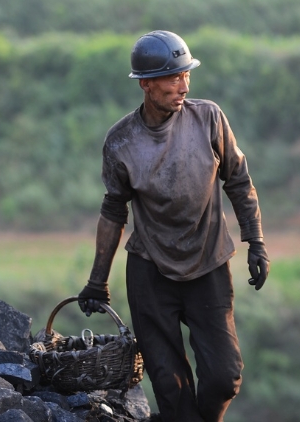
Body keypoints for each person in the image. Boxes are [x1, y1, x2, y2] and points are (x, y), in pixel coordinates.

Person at [77, 30, 270, 422]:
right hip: (151, 272)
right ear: (146, 85)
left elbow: (238, 179)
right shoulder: (121, 142)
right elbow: (114, 210)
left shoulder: (209, 119)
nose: (184, 85)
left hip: (208, 264)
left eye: (187, 75)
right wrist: (98, 280)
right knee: (171, 387)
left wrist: (256, 241)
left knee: (223, 377)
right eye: (173, 77)